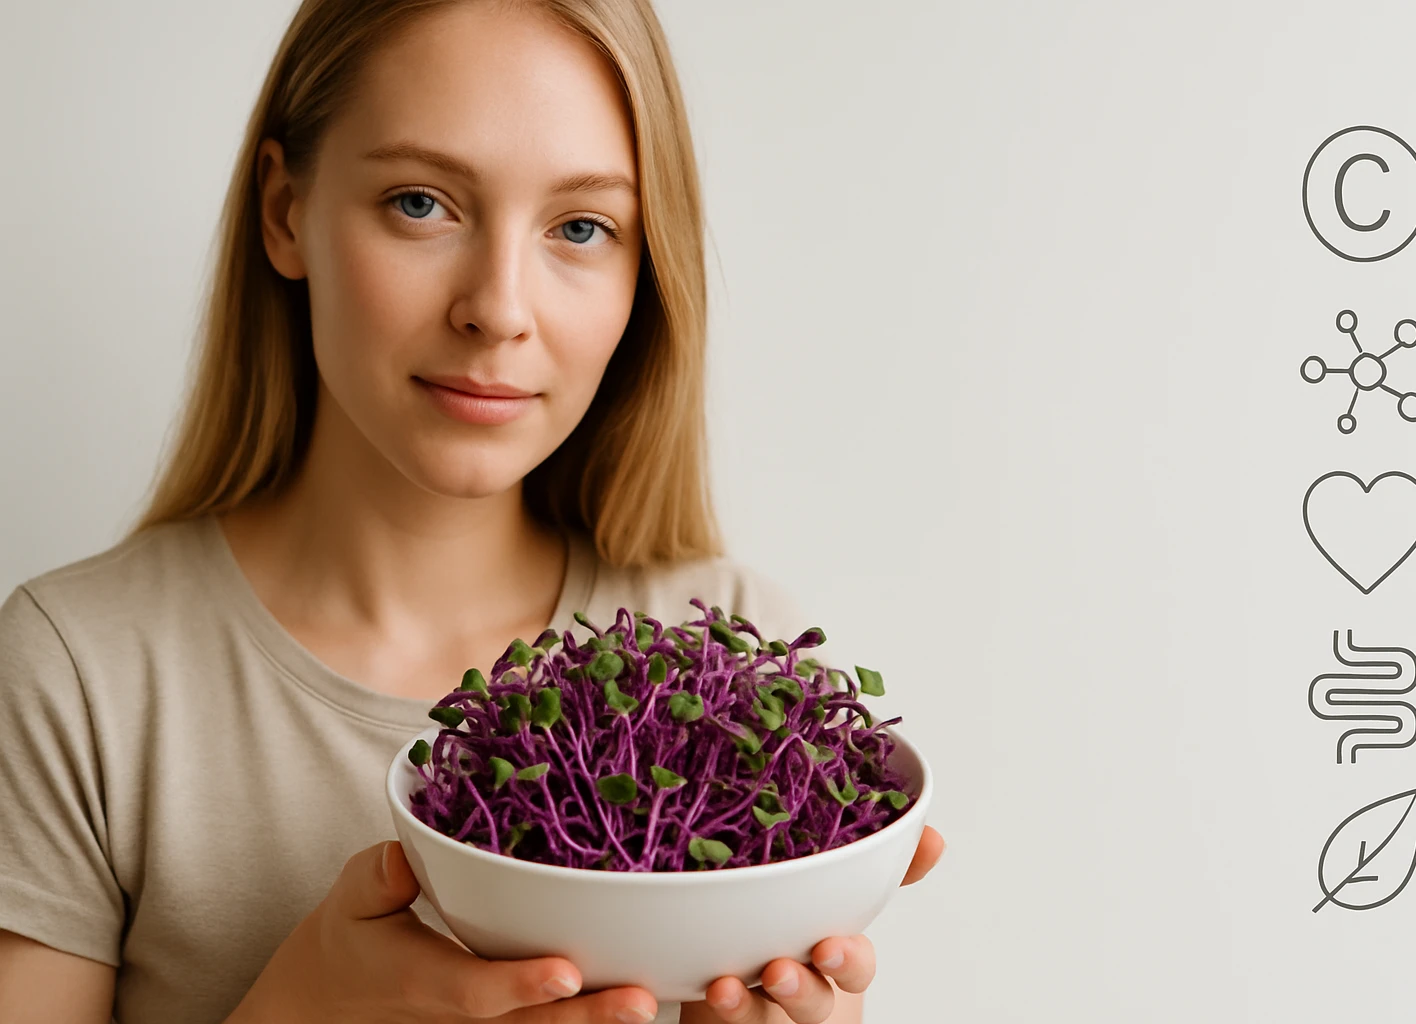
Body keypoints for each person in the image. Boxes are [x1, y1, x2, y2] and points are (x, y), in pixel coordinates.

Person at [0, 1, 945, 1022]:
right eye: (420, 203)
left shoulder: (742, 653)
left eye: (581, 227)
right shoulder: (79, 677)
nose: (497, 307)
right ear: (284, 211)